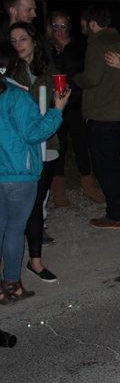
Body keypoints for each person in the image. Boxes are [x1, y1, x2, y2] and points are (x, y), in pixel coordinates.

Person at [0, 42, 69, 303]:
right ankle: (12, 285)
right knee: (14, 230)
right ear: (13, 66)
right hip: (18, 172)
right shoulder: (16, 95)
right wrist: (57, 110)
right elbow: (33, 133)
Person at [72, 6, 120, 229]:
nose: (82, 31)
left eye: (83, 26)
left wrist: (75, 78)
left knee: (103, 165)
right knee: (113, 160)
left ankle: (115, 214)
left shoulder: (97, 44)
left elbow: (91, 79)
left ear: (92, 23)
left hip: (102, 114)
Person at [45, 10, 104, 206]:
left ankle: (89, 187)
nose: (60, 30)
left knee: (81, 145)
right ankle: (58, 191)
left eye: (63, 26)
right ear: (50, 27)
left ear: (69, 27)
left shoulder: (79, 46)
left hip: (76, 103)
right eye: (55, 26)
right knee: (58, 146)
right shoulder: (47, 48)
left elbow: (87, 72)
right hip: (56, 104)